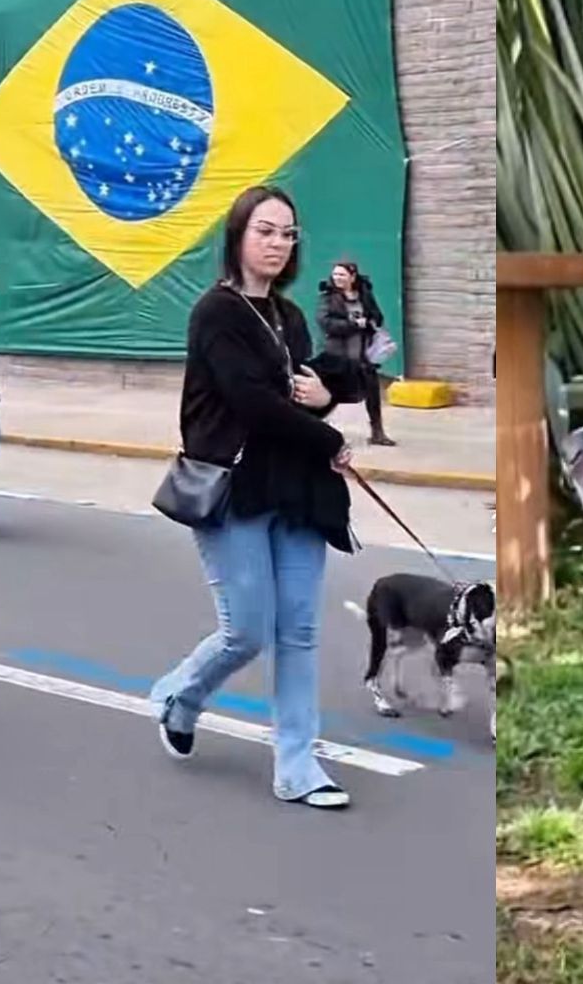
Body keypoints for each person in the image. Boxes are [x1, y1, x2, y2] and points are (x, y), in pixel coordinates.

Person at [149, 186, 363, 809]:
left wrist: (326, 398)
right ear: (238, 236)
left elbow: (303, 392)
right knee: (245, 631)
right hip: (234, 490)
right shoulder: (215, 313)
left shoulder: (289, 316)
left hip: (295, 490)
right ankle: (182, 694)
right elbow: (253, 402)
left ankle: (297, 766)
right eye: (264, 231)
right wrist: (329, 437)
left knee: (298, 632)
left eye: (287, 233)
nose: (277, 243)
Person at [318, 261, 396, 447]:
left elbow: (377, 316)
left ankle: (377, 432)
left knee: (372, 393)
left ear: (352, 277)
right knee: (331, 393)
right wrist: (353, 324)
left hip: (363, 353)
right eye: (335, 274)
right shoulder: (328, 297)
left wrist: (369, 321)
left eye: (342, 275)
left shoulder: (365, 295)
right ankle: (319, 428)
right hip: (338, 353)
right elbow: (325, 323)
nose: (337, 278)